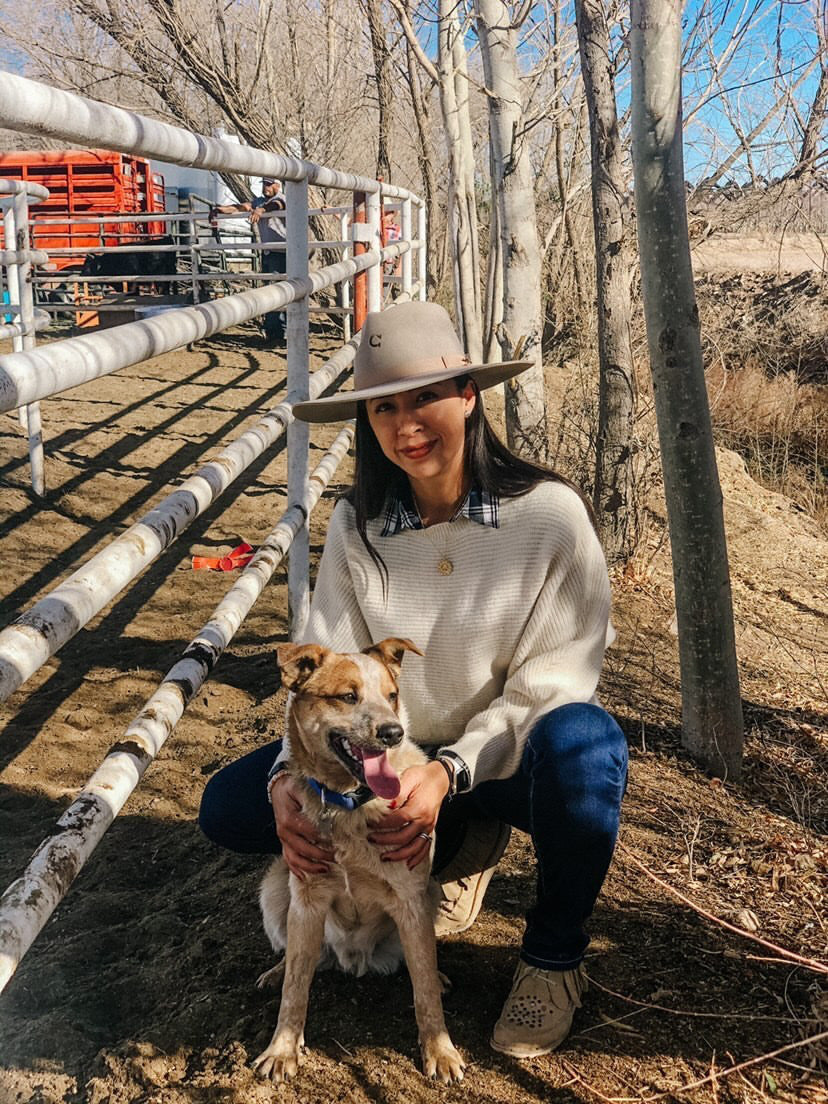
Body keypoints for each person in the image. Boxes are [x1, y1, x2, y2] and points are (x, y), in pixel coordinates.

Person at [198, 301, 628, 1058]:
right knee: (230, 808)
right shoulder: (356, 527)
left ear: (468, 394)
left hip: (497, 756)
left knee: (586, 751)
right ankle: (438, 858)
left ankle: (552, 958)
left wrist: (449, 771)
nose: (406, 425)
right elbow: (323, 670)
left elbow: (554, 683)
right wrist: (285, 785)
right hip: (386, 759)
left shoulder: (550, 519)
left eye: (426, 397)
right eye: (383, 408)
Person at [212, 177, 286, 346]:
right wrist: (221, 210)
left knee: (277, 292)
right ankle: (274, 332)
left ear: (277, 186)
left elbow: (277, 206)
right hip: (269, 252)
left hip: (282, 253)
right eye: (264, 184)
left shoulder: (280, 199)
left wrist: (261, 211)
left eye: (269, 184)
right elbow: (243, 206)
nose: (265, 187)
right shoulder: (260, 201)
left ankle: (278, 333)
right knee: (271, 292)